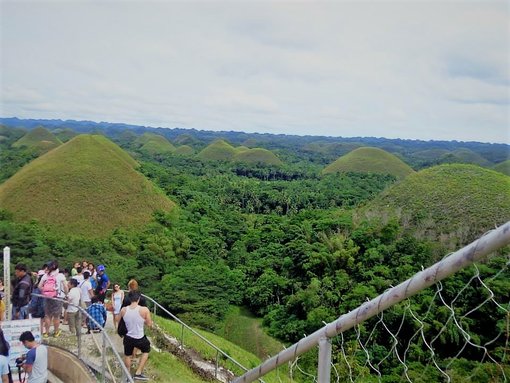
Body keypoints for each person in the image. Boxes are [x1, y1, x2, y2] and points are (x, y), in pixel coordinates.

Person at [120, 290, 152, 381]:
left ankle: (127, 376)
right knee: (146, 350)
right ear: (138, 298)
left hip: (128, 337)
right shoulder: (144, 310)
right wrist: (144, 320)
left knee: (127, 355)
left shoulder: (123, 310)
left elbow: (121, 320)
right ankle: (138, 372)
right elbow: (149, 324)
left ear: (129, 298)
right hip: (139, 337)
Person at [38, 260, 68, 338]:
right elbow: (65, 286)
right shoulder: (60, 275)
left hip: (47, 297)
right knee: (56, 316)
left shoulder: (45, 275)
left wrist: (45, 292)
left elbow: (39, 286)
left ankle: (46, 333)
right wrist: (66, 294)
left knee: (47, 315)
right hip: (58, 297)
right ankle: (56, 332)